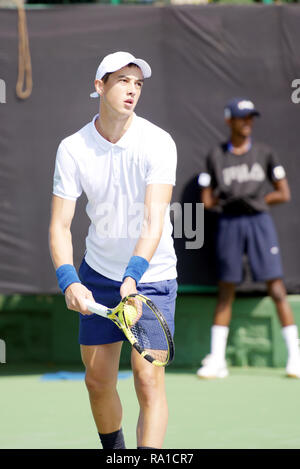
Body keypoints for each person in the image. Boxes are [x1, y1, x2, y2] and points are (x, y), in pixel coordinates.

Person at [49, 51, 178, 449]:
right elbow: (59, 225)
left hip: (151, 278)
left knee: (147, 375)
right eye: (122, 80)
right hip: (98, 275)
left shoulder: (158, 142)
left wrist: (133, 277)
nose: (132, 90)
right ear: (99, 86)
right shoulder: (72, 148)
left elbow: (153, 221)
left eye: (138, 83)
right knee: (97, 379)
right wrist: (69, 281)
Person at [197, 97, 300, 379]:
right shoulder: (215, 156)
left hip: (259, 222)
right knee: (226, 290)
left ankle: (296, 357)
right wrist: (227, 201)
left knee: (277, 288)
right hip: (229, 224)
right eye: (242, 118)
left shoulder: (265, 153)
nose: (248, 123)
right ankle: (217, 360)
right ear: (230, 120)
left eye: (251, 118)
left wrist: (252, 200)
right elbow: (206, 200)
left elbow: (284, 193)